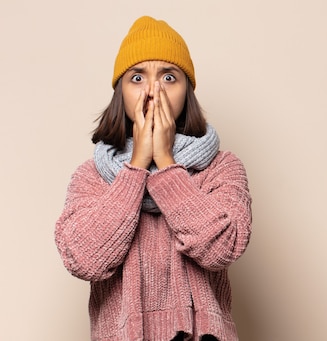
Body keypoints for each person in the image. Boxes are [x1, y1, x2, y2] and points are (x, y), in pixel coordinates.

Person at [54, 16, 252, 341]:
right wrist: (137, 167)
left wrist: (165, 162)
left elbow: (221, 248)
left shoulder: (222, 167)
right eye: (137, 78)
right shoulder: (90, 177)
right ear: (121, 93)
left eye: (169, 77)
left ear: (187, 91)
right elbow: (85, 260)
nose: (152, 91)